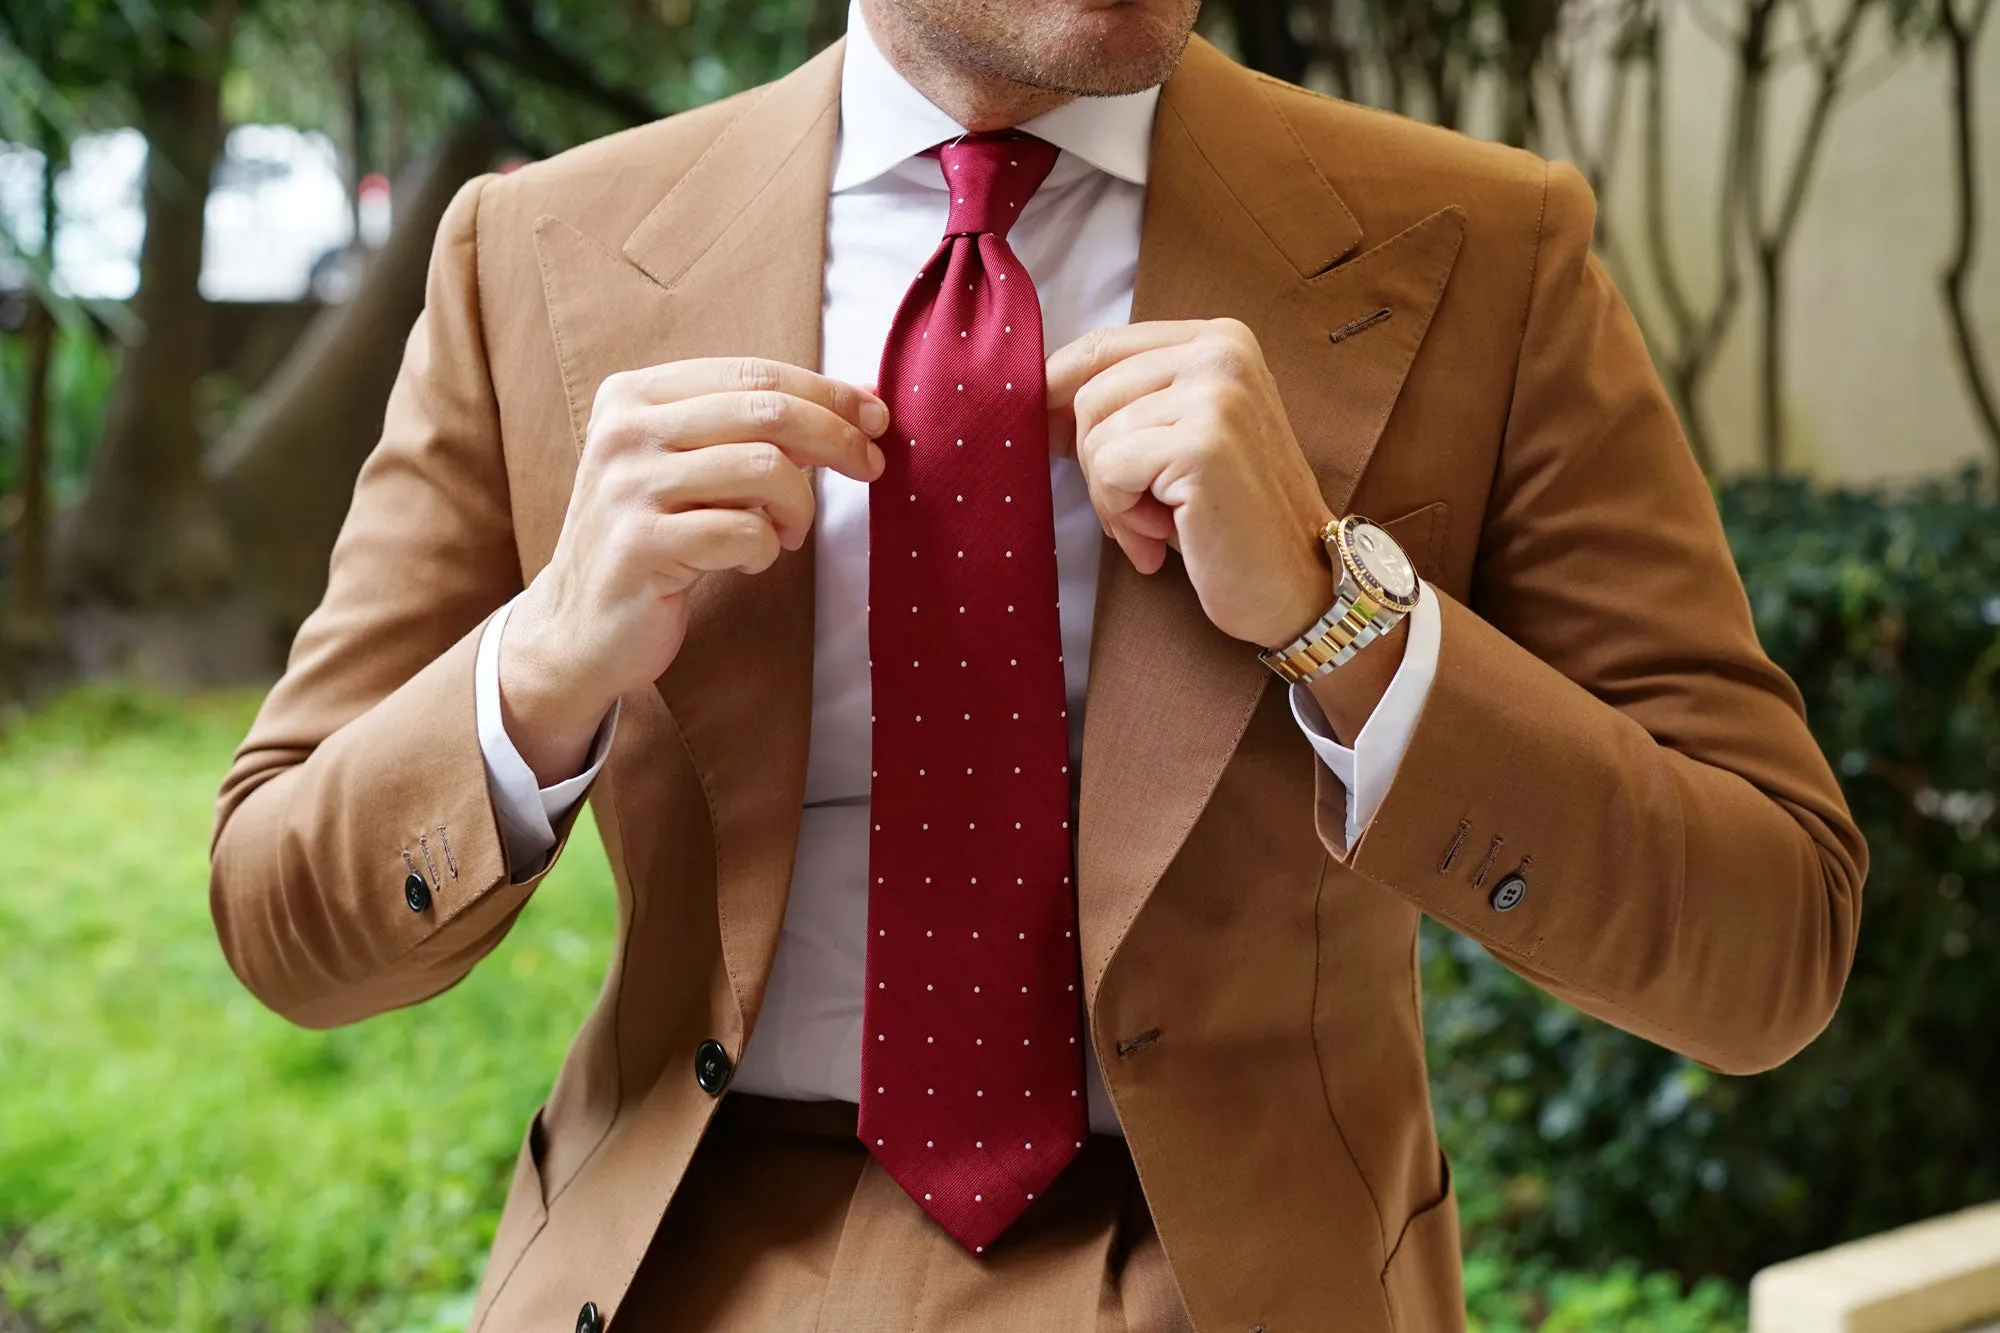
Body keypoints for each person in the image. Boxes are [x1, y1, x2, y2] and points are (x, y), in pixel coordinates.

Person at [209, 0, 1867, 1328]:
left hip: (1237, 1277)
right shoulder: (539, 253)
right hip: (676, 1262)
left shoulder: (1483, 248)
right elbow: (289, 924)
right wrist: (541, 662)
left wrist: (1341, 619)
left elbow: (1766, 946)